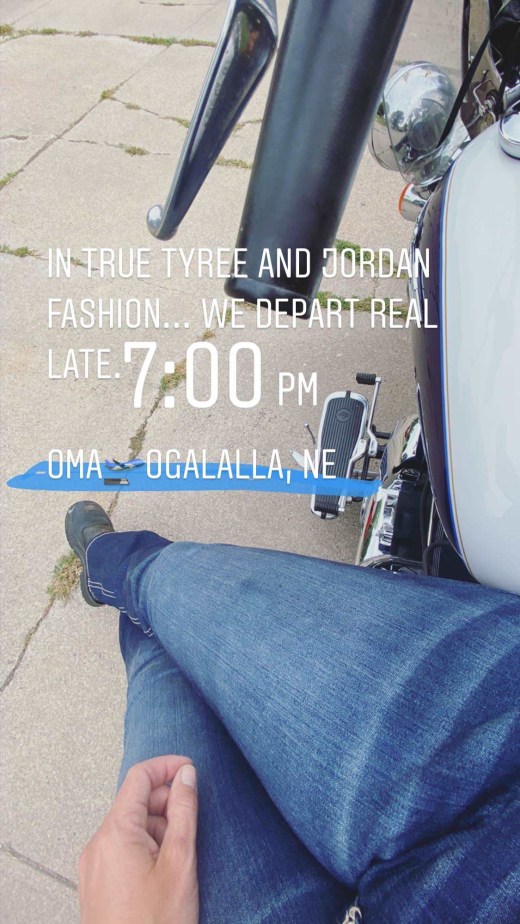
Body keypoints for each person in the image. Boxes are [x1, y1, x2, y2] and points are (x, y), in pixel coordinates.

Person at [65, 500, 520, 924]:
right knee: (176, 589)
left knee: (161, 672)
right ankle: (113, 566)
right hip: (497, 753)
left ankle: (113, 576)